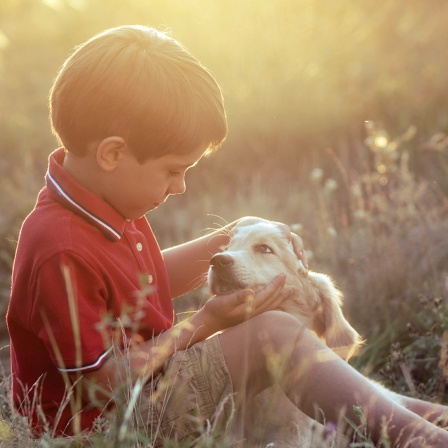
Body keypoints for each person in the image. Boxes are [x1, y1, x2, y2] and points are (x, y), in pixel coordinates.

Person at [6, 25, 448, 447]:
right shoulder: (60, 247)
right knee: (272, 333)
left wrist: (231, 237)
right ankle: (415, 439)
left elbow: (148, 282)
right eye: (172, 171)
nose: (179, 187)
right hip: (105, 429)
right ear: (113, 153)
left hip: (145, 395)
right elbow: (104, 381)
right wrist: (206, 323)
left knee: (276, 335)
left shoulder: (104, 201)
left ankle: (428, 421)